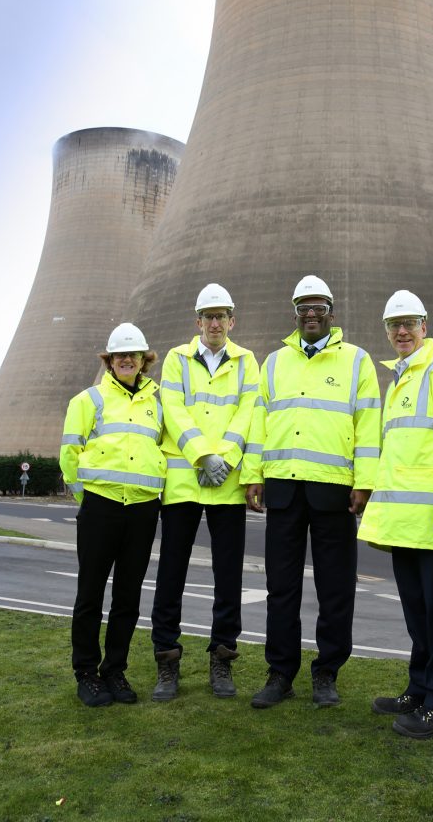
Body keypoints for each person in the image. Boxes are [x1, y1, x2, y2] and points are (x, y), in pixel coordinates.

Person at [241, 275, 381, 708]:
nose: (311, 313)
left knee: (335, 587)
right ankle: (280, 673)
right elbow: (258, 422)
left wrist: (365, 481)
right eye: (303, 307)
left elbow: (369, 426)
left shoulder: (356, 361)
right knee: (281, 588)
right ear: (295, 314)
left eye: (318, 306)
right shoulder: (275, 362)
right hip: (283, 487)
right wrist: (253, 474)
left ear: (332, 313)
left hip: (333, 490)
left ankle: (327, 672)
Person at [358, 290, 433, 738]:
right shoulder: (400, 379)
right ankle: (421, 687)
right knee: (418, 614)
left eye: (408, 323)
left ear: (425, 326)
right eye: (393, 325)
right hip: (404, 525)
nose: (401, 332)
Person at [150, 284, 259, 700]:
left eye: (222, 316)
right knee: (171, 574)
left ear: (232, 321)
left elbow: (249, 411)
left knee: (228, 576)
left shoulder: (247, 361)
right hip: (183, 482)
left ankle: (222, 658)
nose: (215, 323)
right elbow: (173, 410)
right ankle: (167, 659)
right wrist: (201, 456)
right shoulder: (177, 359)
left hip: (226, 484)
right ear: (198, 322)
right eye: (208, 316)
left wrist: (225, 458)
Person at [60, 323, 165, 707]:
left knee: (128, 596)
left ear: (143, 360)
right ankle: (86, 673)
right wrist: (84, 499)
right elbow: (69, 455)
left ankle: (114, 670)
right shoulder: (87, 400)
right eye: (119, 355)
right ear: (109, 360)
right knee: (89, 593)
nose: (126, 360)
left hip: (141, 507)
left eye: (133, 355)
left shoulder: (159, 403)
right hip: (100, 506)